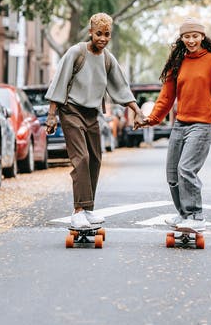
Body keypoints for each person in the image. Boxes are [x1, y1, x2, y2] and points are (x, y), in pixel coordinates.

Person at [140, 17, 211, 232]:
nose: (191, 40)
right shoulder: (178, 64)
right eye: (186, 37)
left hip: (202, 125)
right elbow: (166, 97)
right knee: (172, 174)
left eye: (195, 36)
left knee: (186, 169)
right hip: (180, 124)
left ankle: (196, 215)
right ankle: (184, 214)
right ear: (181, 39)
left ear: (202, 37)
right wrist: (151, 119)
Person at [45, 13, 145, 230]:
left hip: (91, 113)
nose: (102, 38)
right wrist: (52, 115)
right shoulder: (76, 52)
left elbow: (121, 86)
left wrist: (136, 110)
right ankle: (78, 211)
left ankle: (88, 208)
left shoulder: (107, 58)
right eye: (99, 33)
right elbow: (59, 82)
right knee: (81, 158)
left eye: (107, 34)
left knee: (95, 159)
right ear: (90, 32)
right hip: (70, 109)